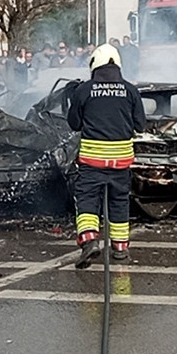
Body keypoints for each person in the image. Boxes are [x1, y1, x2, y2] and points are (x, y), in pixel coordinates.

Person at [67, 44, 145, 267]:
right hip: (121, 162)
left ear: (94, 65)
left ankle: (90, 240)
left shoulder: (84, 90)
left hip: (92, 162)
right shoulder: (130, 90)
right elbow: (140, 125)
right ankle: (120, 249)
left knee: (87, 201)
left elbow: (74, 124)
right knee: (119, 202)